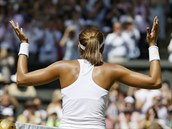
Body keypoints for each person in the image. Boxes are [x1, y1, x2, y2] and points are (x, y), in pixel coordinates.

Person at [9, 16, 161, 129]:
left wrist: (24, 44)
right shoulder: (112, 70)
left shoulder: (63, 67)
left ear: (78, 47)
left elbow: (21, 79)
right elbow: (155, 81)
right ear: (102, 48)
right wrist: (153, 44)